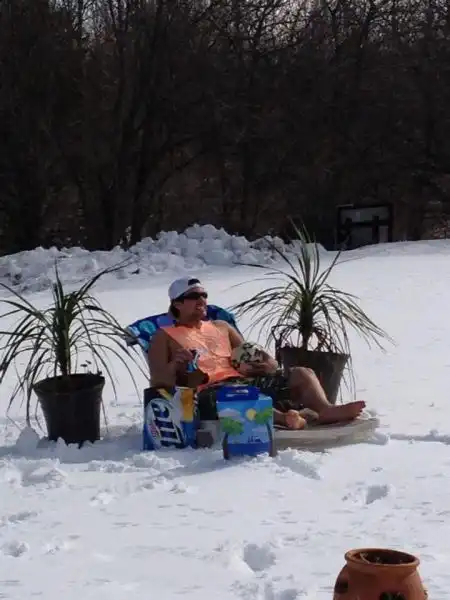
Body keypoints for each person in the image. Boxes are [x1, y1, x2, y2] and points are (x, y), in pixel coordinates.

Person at [148, 277, 366, 430]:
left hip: (244, 380)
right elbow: (158, 382)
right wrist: (175, 365)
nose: (202, 300)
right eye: (194, 296)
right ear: (177, 303)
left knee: (302, 373)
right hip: (209, 392)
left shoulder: (221, 326)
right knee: (236, 394)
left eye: (204, 295)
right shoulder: (164, 336)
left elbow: (254, 355)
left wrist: (267, 365)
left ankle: (325, 410)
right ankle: (285, 419)